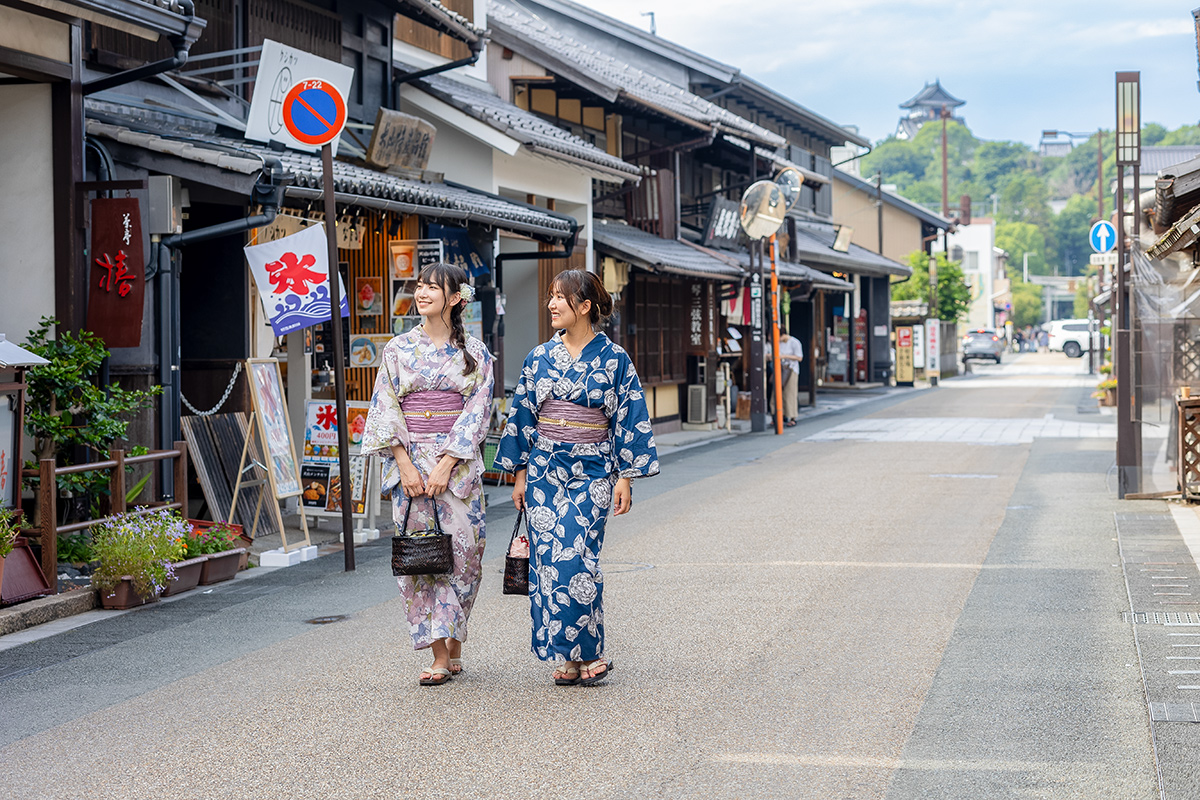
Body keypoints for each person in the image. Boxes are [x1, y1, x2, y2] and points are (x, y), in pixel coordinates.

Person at [495, 270, 659, 687]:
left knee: (578, 558)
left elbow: (629, 418)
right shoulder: (538, 358)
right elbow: (523, 418)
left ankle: (588, 651)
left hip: (593, 471)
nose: (551, 305)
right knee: (549, 564)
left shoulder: (615, 360)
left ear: (585, 307)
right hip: (545, 470)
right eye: (551, 296)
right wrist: (519, 473)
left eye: (561, 298)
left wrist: (627, 477)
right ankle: (569, 658)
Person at [361, 262, 494, 687]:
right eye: (419, 286)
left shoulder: (475, 354)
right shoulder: (397, 349)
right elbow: (384, 407)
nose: (422, 293)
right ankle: (439, 652)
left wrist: (448, 460)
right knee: (422, 557)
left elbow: (479, 410)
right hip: (411, 465)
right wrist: (403, 463)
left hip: (456, 467)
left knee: (466, 556)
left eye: (433, 287)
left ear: (455, 298)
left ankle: (453, 635)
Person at [777, 332, 804, 427]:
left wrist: (785, 356)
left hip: (791, 369)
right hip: (780, 369)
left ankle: (792, 417)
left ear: (783, 334)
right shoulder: (778, 343)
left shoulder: (794, 342)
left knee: (790, 393)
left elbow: (799, 357)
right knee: (778, 392)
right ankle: (781, 415)